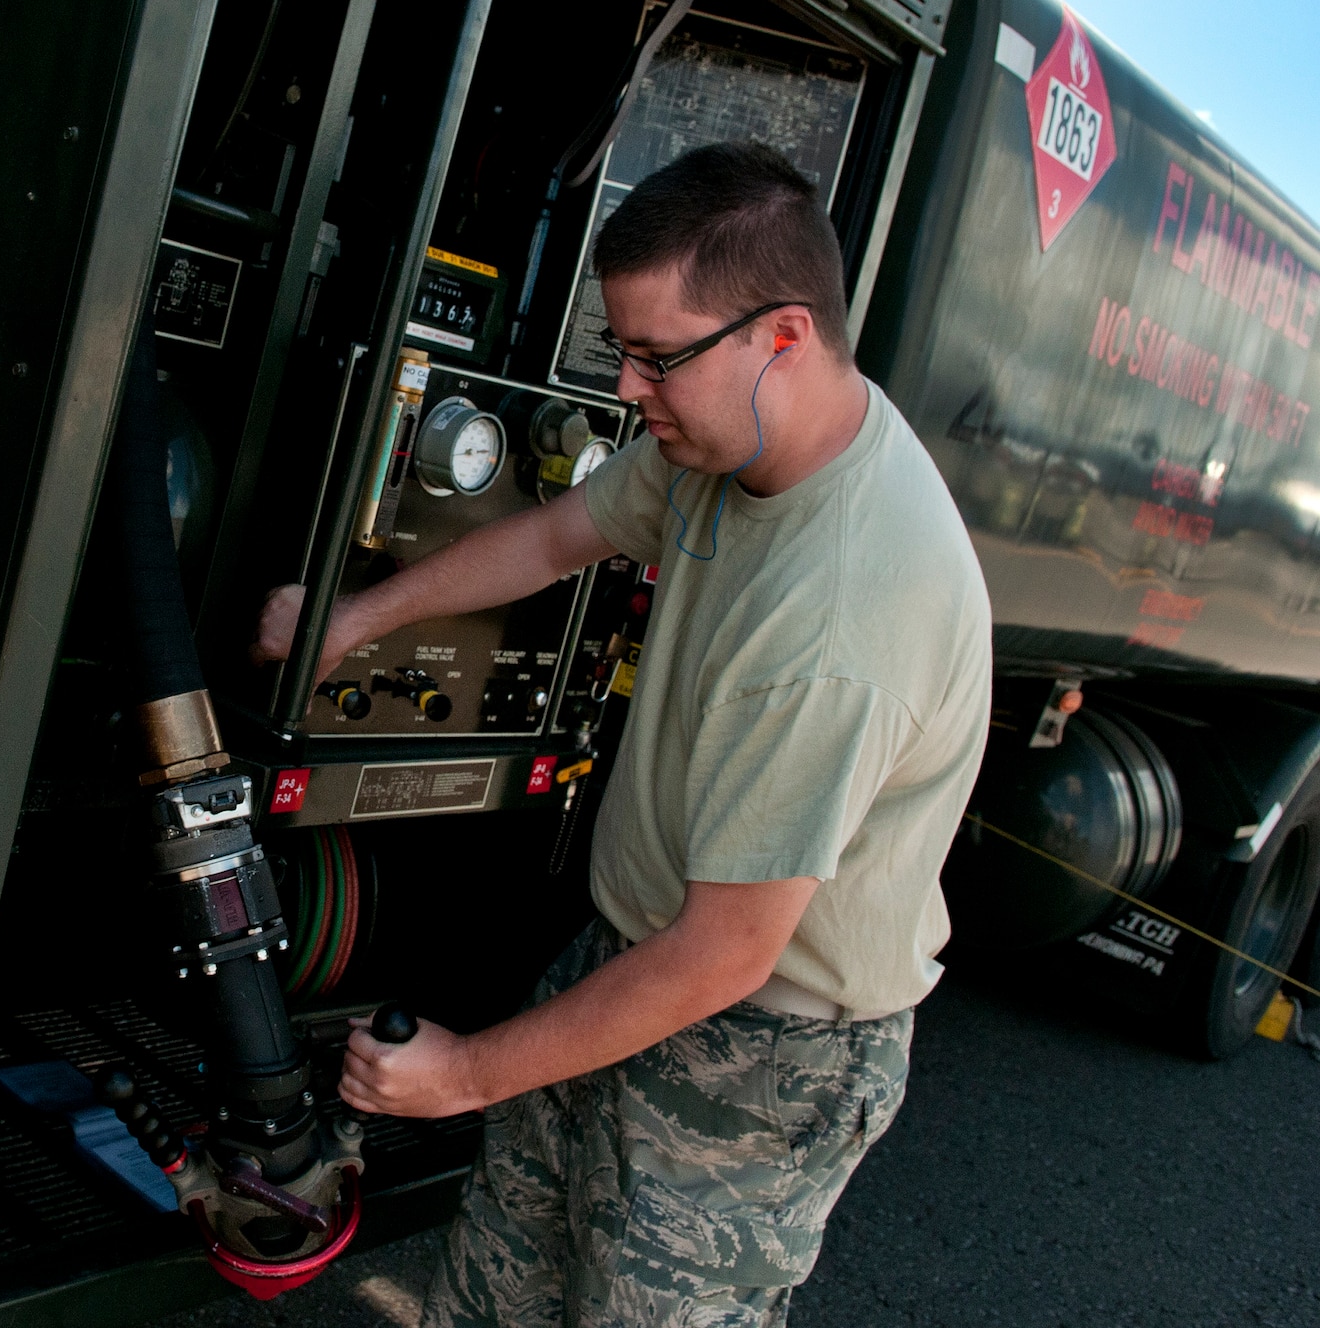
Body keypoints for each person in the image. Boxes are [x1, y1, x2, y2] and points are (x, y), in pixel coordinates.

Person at [251, 141, 992, 1327]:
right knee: (490, 1300)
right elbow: (555, 536)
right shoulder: (735, 442)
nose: (628, 392)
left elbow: (725, 954)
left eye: (656, 359)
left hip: (758, 1057)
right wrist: (358, 617)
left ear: (782, 337)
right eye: (623, 354)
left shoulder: (842, 620)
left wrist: (460, 1075)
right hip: (624, 964)